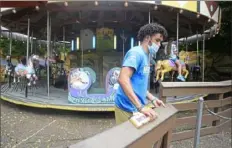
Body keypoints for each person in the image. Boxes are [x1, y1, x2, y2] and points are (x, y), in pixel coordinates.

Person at [114, 23, 167, 125]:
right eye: (157, 40)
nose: (159, 44)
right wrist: (141, 107)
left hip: (135, 106)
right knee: (127, 139)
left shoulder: (147, 56)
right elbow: (123, 79)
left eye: (160, 41)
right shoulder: (136, 53)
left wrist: (153, 99)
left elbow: (138, 84)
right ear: (147, 38)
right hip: (126, 106)